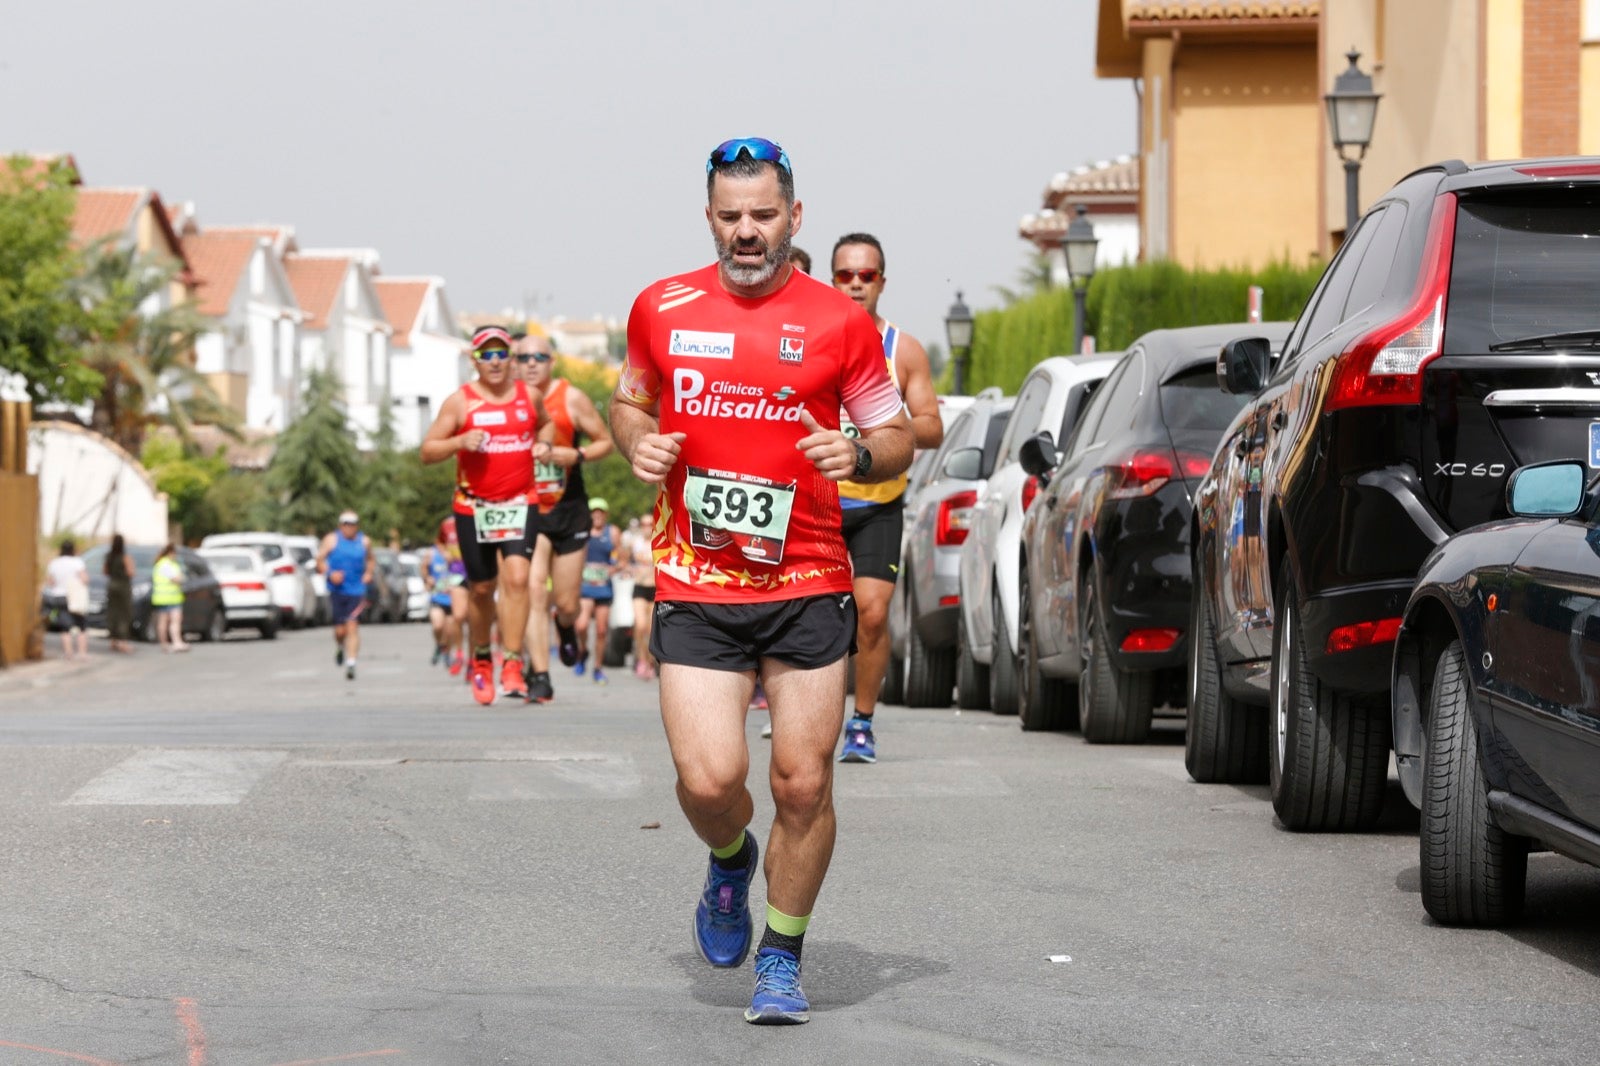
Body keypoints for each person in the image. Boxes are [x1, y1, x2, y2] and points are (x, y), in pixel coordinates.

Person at [610, 136, 912, 1025]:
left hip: (810, 572)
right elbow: (631, 397)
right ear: (709, 217)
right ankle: (733, 860)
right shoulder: (660, 307)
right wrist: (639, 441)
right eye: (731, 216)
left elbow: (895, 438)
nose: (747, 232)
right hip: (698, 580)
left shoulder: (839, 320)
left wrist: (857, 450)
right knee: (709, 784)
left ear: (795, 217)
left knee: (803, 784)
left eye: (764, 215)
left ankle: (781, 954)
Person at [829, 232, 943, 764]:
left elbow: (932, 427)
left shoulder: (904, 349)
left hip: (877, 504)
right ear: (830, 280)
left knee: (872, 615)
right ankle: (813, 718)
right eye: (845, 275)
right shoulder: (810, 341)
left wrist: (882, 434)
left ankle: (862, 721)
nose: (855, 285)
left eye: (865, 276)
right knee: (815, 620)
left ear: (881, 282)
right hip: (818, 504)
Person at [421, 325, 555, 705]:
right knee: (481, 587)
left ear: (510, 358)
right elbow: (428, 450)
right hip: (474, 506)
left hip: (520, 501)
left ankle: (512, 661)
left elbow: (545, 422)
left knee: (517, 578)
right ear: (474, 359)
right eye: (486, 355)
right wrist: (458, 442)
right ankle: (482, 658)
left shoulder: (529, 396)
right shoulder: (460, 403)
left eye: (501, 354)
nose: (494, 362)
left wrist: (544, 442)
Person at [514, 329, 616, 703]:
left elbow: (604, 439)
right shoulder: (508, 401)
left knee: (568, 604)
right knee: (533, 590)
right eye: (521, 358)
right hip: (528, 509)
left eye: (537, 358)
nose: (529, 365)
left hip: (570, 509)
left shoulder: (571, 397)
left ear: (551, 362)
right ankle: (540, 674)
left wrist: (578, 456)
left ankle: (565, 626)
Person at [318, 511, 374, 680]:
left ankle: (351, 663)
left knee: (352, 626)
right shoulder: (331, 540)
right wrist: (330, 573)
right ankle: (340, 647)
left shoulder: (364, 541)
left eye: (353, 524)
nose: (349, 528)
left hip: (356, 591)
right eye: (346, 524)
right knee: (340, 631)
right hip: (337, 590)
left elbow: (371, 560)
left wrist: (369, 573)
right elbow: (319, 560)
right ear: (341, 525)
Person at [573, 498, 620, 684]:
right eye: (594, 512)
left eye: (600, 512)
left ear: (605, 514)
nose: (597, 515)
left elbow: (620, 558)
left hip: (604, 587)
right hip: (585, 585)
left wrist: (613, 568)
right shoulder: (581, 531)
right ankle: (583, 650)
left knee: (601, 630)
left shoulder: (613, 532)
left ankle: (598, 668)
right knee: (581, 625)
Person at [425, 518, 468, 673]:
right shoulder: (446, 527)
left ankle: (473, 658)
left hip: (473, 575)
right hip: (443, 591)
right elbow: (424, 568)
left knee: (456, 626)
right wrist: (427, 579)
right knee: (444, 623)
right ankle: (451, 651)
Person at [45, 539, 90, 660]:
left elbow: (50, 582)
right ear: (73, 550)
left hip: (59, 596)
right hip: (74, 597)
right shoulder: (77, 562)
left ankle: (68, 653)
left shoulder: (54, 563)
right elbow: (85, 579)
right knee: (81, 626)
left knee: (65, 627)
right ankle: (82, 653)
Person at [625, 517, 657, 680]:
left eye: (649, 524)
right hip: (639, 588)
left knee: (651, 629)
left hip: (654, 588)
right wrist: (628, 569)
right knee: (640, 625)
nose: (646, 527)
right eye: (643, 524)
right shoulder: (635, 543)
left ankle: (650, 661)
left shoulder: (658, 541)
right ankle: (642, 660)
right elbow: (623, 560)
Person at [150, 542, 189, 654]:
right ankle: (177, 642)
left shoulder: (158, 564)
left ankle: (164, 643)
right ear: (171, 552)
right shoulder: (168, 564)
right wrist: (182, 577)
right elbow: (177, 579)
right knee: (175, 621)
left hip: (160, 598)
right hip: (172, 598)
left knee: (162, 622)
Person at [103, 533, 135, 653]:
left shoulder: (109, 556)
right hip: (123, 586)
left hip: (111, 585)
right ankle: (123, 642)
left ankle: (113, 640)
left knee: (113, 612)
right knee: (124, 614)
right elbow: (131, 572)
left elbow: (105, 571)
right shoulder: (125, 557)